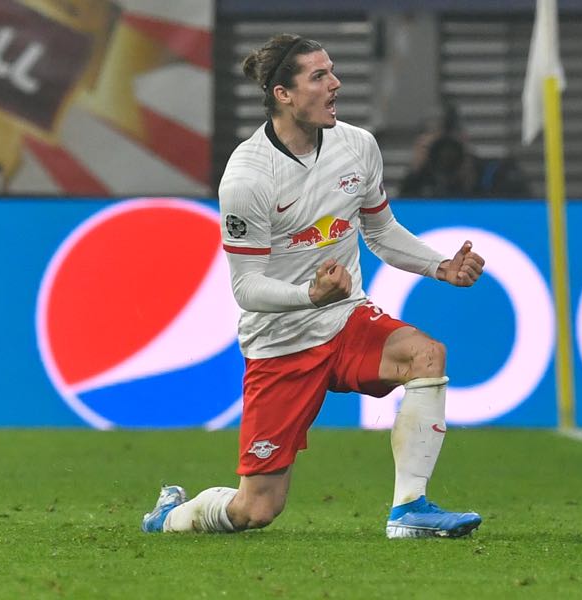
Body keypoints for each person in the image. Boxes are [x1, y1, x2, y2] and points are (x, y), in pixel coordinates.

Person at [141, 34, 486, 539]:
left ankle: (409, 510)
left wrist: (440, 267)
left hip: (345, 319)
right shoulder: (248, 178)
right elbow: (246, 288)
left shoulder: (357, 146)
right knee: (255, 509)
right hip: (280, 343)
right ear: (283, 93)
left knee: (426, 355)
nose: (335, 84)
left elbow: (381, 231)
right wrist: (308, 295)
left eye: (333, 72)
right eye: (319, 76)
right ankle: (170, 515)